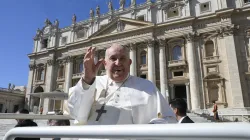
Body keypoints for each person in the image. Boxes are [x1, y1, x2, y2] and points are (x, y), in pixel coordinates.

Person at [66, 43, 177, 125]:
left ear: (129, 63)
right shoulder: (91, 82)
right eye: (113, 58)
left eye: (122, 59)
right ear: (105, 63)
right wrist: (87, 80)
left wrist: (150, 129)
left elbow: (169, 119)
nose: (118, 63)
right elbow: (76, 114)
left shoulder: (147, 87)